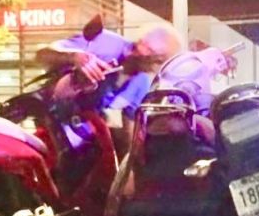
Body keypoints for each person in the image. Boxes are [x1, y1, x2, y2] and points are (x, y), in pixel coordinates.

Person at [36, 23, 183, 155]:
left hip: (86, 145)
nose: (153, 66)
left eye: (159, 61)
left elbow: (129, 132)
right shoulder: (107, 43)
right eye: (154, 58)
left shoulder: (141, 82)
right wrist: (74, 57)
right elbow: (41, 55)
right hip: (50, 125)